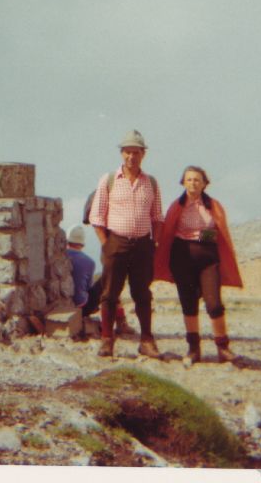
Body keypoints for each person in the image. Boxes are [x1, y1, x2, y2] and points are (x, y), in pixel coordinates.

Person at [154, 165, 243, 364]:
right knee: (188, 302)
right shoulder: (176, 206)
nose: (193, 183)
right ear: (183, 183)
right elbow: (168, 233)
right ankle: (193, 348)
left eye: (197, 180)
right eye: (189, 179)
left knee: (214, 304)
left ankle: (223, 347)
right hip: (182, 258)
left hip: (208, 259)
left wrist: (197, 235)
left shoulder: (214, 206)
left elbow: (219, 234)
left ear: (204, 184)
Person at [88, 129, 163, 358]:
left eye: (136, 152)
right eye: (127, 152)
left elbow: (157, 217)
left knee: (143, 293)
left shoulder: (151, 182)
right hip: (116, 243)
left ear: (143, 154)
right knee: (109, 293)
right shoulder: (109, 180)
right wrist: (106, 244)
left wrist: (154, 243)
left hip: (142, 246)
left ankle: (147, 341)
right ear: (122, 154)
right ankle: (107, 340)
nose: (131, 157)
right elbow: (97, 216)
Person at [66, 225, 132, 335]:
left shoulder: (60, 257)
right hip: (82, 307)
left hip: (63, 305)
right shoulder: (89, 262)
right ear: (82, 243)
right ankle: (121, 321)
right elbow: (86, 288)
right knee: (108, 280)